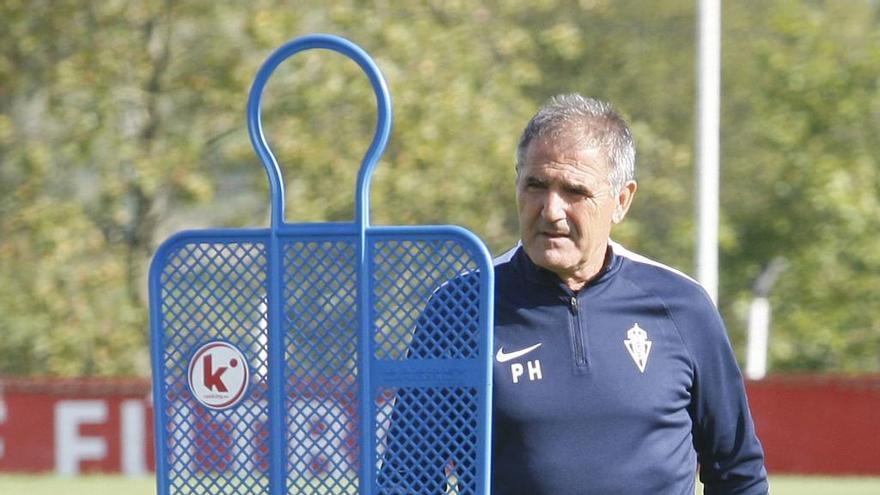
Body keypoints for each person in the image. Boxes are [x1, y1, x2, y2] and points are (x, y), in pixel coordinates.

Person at [490, 93, 768, 494]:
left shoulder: (682, 306)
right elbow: (410, 476)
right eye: (536, 184)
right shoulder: (462, 308)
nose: (551, 209)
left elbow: (738, 474)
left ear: (621, 201)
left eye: (574, 191)